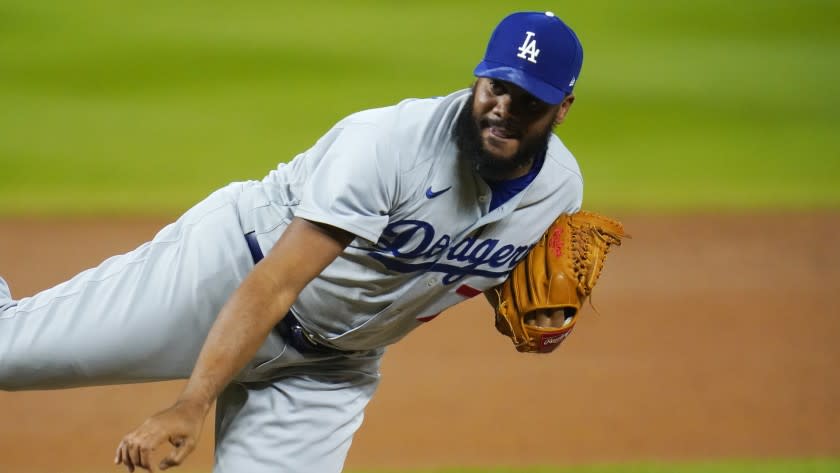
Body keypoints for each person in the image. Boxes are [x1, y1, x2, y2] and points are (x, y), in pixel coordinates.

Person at [0, 10, 585, 473]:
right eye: (494, 88)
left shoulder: (559, 193)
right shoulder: (386, 145)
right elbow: (277, 280)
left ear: (561, 109)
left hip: (330, 369)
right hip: (229, 273)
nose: (502, 109)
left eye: (527, 99)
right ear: (477, 79)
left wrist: (536, 310)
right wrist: (192, 402)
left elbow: (475, 259)